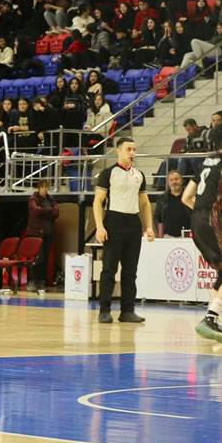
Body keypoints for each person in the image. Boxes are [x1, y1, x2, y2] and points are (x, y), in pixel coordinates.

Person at [180, 121, 222, 342]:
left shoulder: (205, 162)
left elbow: (185, 197)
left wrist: (202, 212)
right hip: (212, 221)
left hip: (196, 221)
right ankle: (210, 318)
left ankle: (214, 321)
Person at [93, 138, 153, 323]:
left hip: (133, 223)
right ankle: (104, 310)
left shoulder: (139, 174)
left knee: (130, 271)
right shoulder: (108, 173)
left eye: (134, 149)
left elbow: (145, 202)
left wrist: (149, 226)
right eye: (128, 149)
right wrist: (100, 227)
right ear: (119, 151)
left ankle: (128, 310)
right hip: (113, 221)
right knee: (109, 269)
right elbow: (98, 201)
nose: (132, 153)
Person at [25, 179, 59, 290]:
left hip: (48, 234)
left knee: (45, 260)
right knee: (38, 258)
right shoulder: (33, 199)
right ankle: (33, 281)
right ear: (39, 188)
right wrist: (49, 211)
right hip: (36, 234)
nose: (45, 189)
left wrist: (43, 211)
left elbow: (56, 213)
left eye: (46, 187)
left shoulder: (51, 199)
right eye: (43, 187)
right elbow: (35, 211)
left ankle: (41, 282)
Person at [154, 170, 193, 237]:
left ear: (182, 181)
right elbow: (157, 217)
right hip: (167, 237)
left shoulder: (189, 197)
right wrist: (160, 233)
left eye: (176, 179)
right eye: (171, 180)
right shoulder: (162, 198)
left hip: (187, 236)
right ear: (168, 183)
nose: (174, 182)